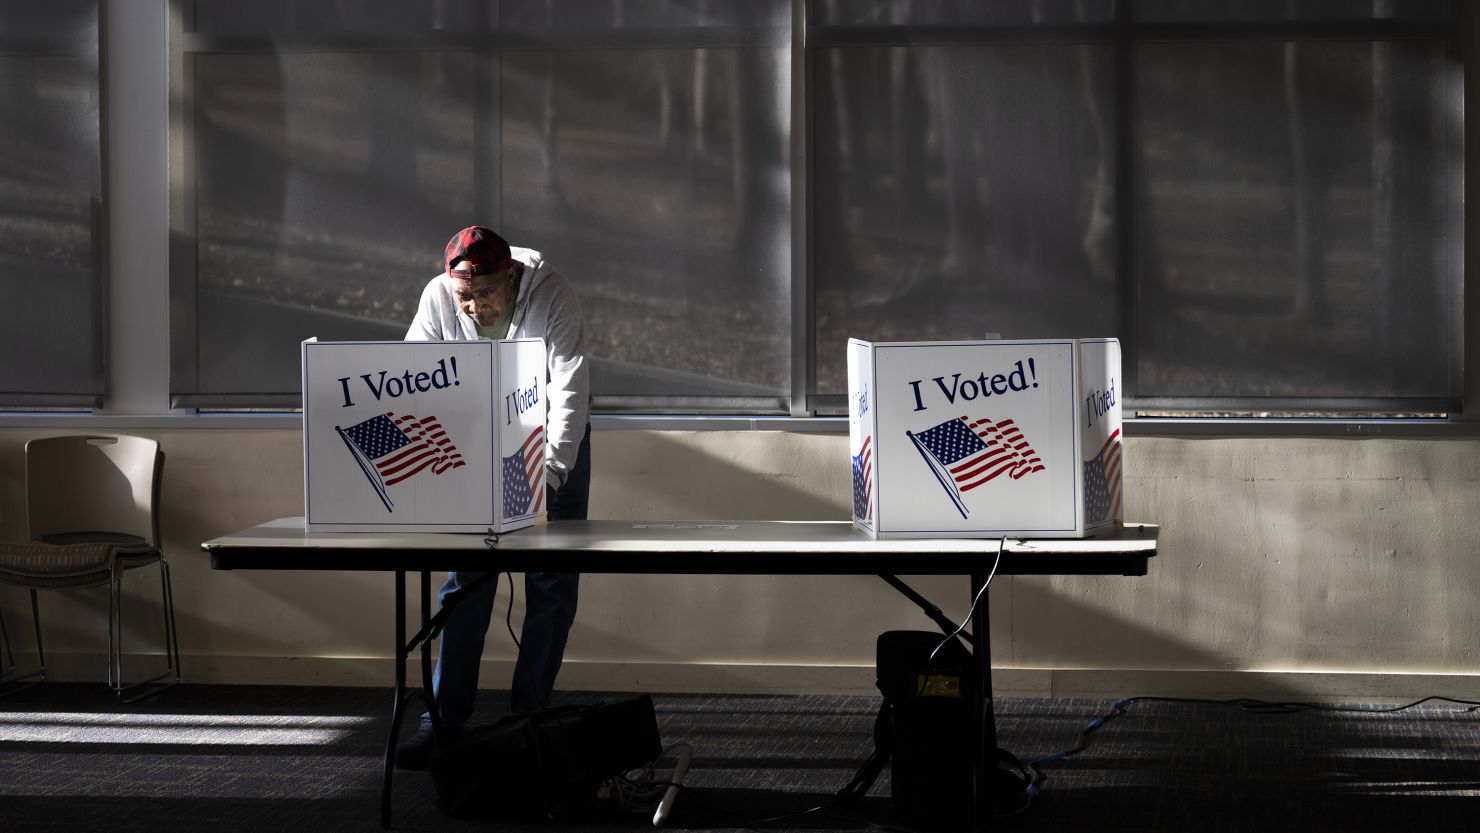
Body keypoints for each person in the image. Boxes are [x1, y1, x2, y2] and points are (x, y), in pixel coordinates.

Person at [395, 226, 591, 769]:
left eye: (486, 295)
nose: (475, 306)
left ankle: (530, 721)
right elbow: (415, 375)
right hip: (475, 432)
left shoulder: (554, 295)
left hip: (552, 434)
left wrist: (548, 477)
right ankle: (442, 725)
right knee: (466, 582)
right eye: (466, 296)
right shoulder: (439, 296)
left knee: (550, 585)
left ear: (510, 276)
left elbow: (569, 390)